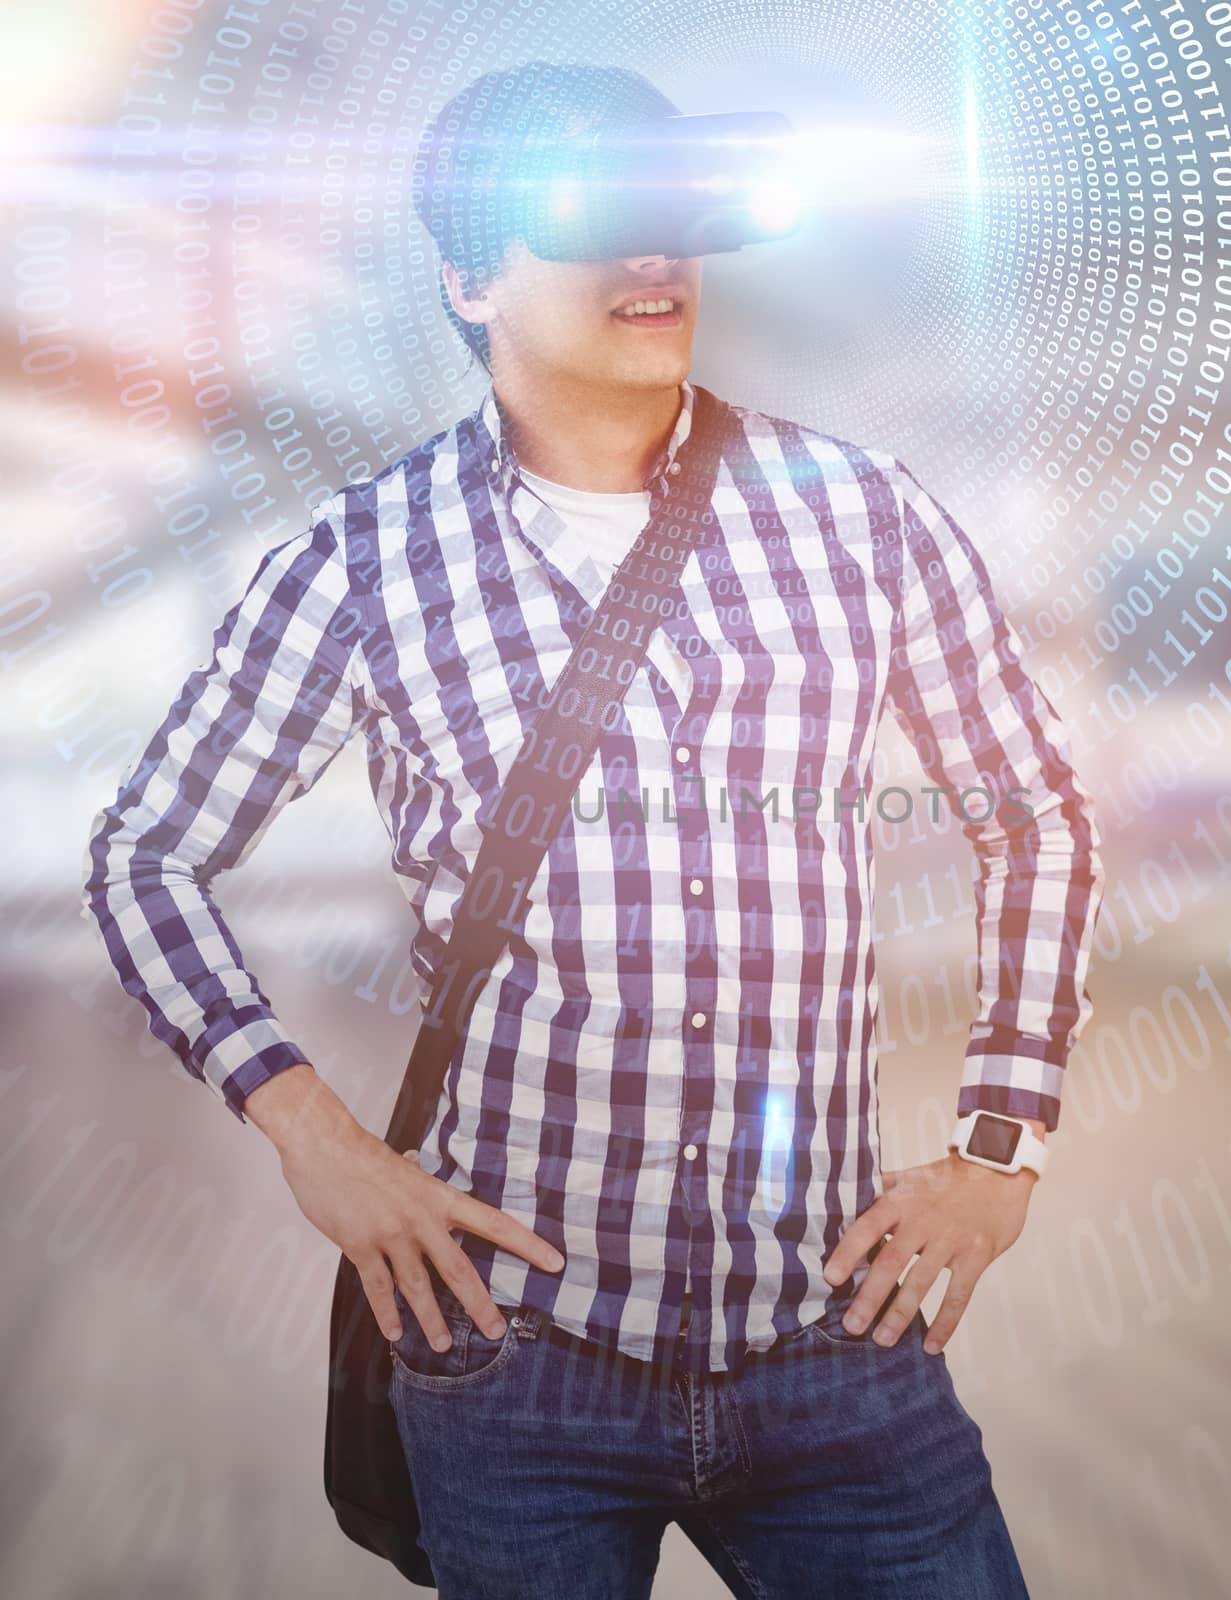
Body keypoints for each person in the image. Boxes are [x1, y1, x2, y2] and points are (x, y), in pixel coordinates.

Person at [82, 60, 1103, 1599]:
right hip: (516, 1368)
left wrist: (1001, 1147)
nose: (652, 250)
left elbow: (1035, 813)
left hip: (839, 1343)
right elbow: (145, 854)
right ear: (470, 273)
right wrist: (314, 1137)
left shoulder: (862, 516)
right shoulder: (363, 564)